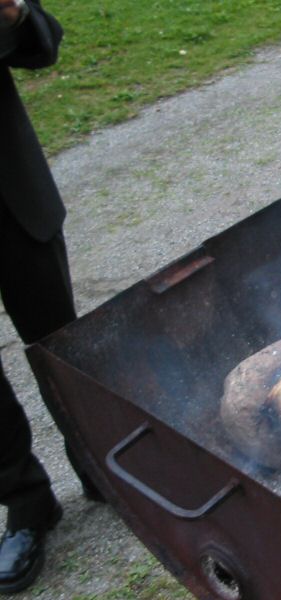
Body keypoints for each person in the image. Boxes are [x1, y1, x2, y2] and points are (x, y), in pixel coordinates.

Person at [0, 0, 101, 593]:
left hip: (10, 193)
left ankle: (101, 465)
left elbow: (42, 40)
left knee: (59, 340)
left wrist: (14, 17)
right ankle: (26, 502)